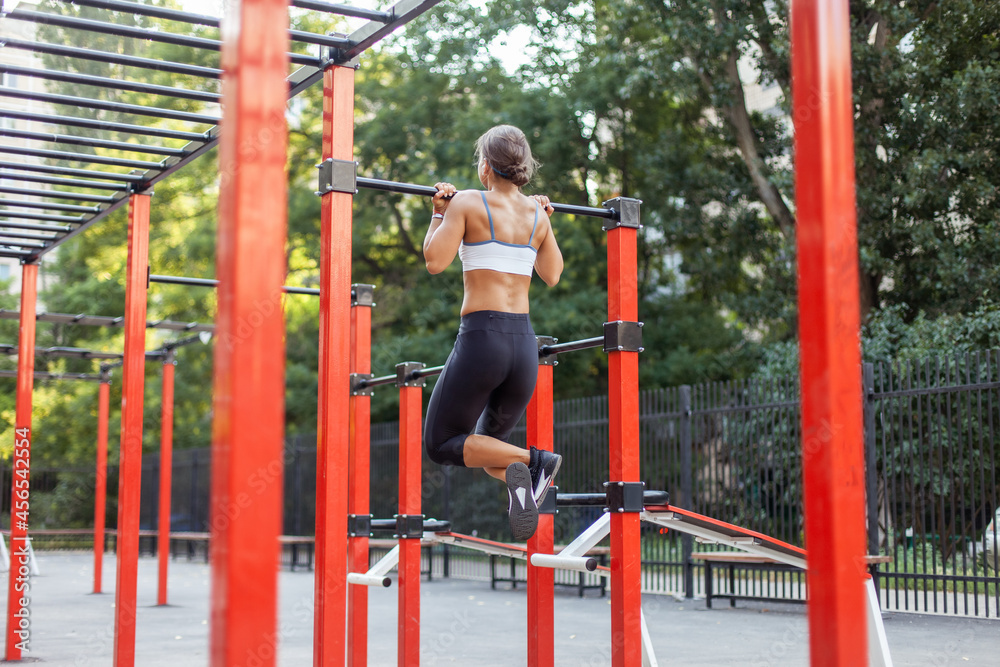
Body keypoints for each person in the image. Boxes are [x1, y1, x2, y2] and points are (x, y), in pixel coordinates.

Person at [422, 125, 564, 541]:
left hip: (482, 341)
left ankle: (537, 461)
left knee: (442, 443)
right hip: (523, 349)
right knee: (487, 453)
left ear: (485, 167)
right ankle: (526, 471)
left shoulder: (466, 202)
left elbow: (434, 261)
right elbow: (552, 275)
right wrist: (545, 222)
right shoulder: (537, 215)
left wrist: (438, 212)